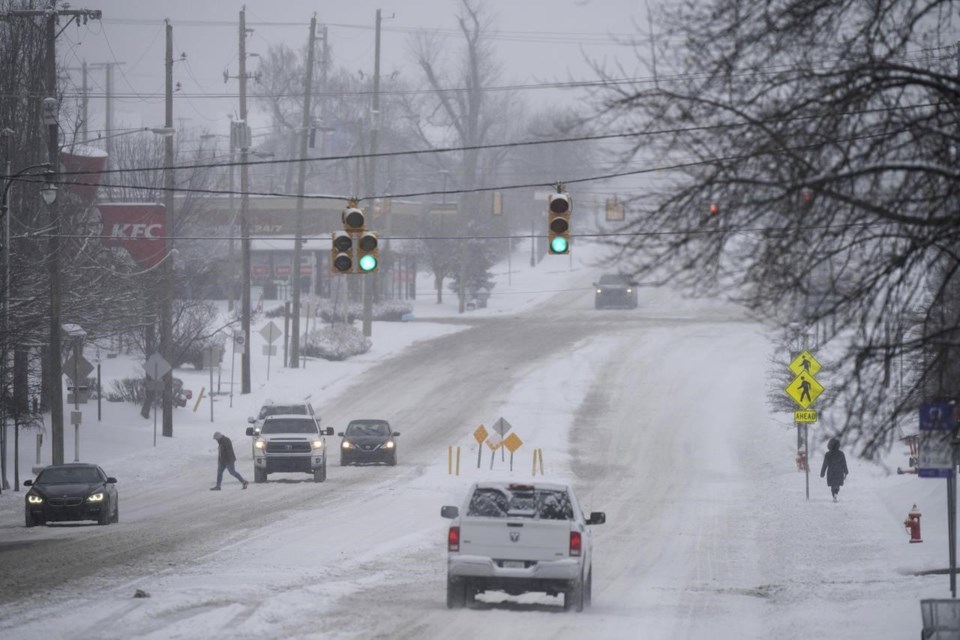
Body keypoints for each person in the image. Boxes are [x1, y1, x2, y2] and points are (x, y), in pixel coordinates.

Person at [820, 437, 848, 502]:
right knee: (837, 485)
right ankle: (836, 494)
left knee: (833, 485)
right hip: (839, 472)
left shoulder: (828, 454)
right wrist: (846, 471)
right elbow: (844, 464)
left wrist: (822, 473)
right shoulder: (841, 454)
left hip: (831, 472)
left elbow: (825, 464)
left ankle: (834, 495)